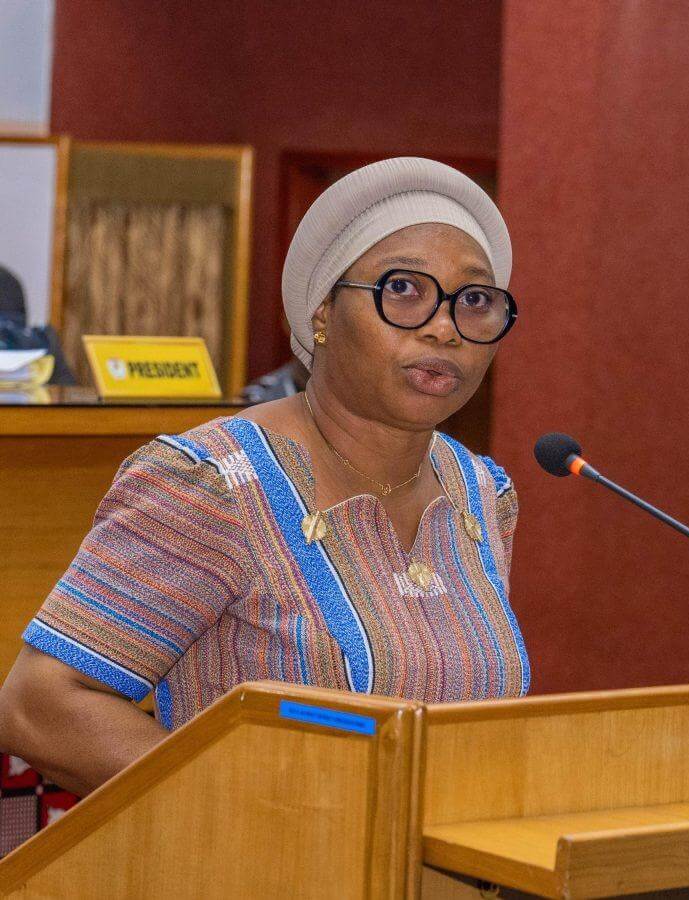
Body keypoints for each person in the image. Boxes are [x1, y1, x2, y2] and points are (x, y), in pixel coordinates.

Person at [0, 158, 529, 797]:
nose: (444, 328)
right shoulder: (214, 483)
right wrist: (259, 813)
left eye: (475, 300)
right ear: (322, 311)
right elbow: (39, 705)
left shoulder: (480, 492)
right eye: (403, 289)